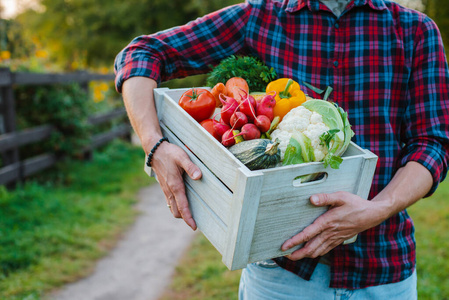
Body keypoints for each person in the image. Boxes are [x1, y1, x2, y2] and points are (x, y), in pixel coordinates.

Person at [114, 0, 449, 298]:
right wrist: (154, 146)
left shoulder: (415, 30)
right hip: (282, 274)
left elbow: (433, 143)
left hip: (384, 272)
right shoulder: (261, 16)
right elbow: (141, 53)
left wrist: (378, 208)